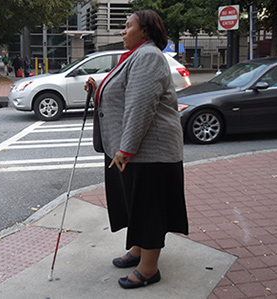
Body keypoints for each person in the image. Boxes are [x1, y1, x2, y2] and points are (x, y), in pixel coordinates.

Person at [85, 9, 188, 289]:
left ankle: (149, 268)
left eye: (128, 26)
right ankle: (139, 249)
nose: (123, 30)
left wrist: (125, 149)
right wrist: (97, 89)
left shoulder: (148, 56)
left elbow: (140, 106)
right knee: (136, 204)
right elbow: (122, 96)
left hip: (149, 152)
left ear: (144, 31)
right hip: (135, 150)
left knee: (148, 207)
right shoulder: (135, 56)